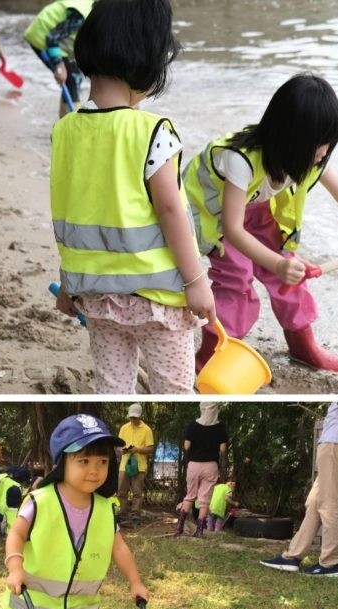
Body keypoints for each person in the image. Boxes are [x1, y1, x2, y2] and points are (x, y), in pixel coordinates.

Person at [183, 73, 338, 373]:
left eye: (330, 143)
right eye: (321, 144)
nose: (325, 152)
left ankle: (303, 346)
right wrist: (276, 263)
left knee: (292, 275)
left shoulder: (309, 158)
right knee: (236, 281)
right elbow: (233, 228)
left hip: (259, 210)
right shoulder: (240, 159)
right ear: (292, 137)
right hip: (219, 216)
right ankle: (211, 356)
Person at [52, 0, 215, 394]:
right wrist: (195, 280)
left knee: (111, 388)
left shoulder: (65, 131)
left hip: (96, 297)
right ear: (147, 59)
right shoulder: (153, 130)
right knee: (175, 391)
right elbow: (171, 208)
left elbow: (69, 214)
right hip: (157, 298)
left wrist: (68, 282)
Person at [3, 413, 148, 609]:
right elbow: (16, 534)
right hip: (40, 598)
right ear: (62, 463)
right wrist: (15, 567)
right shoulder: (40, 501)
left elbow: (117, 546)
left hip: (80, 601)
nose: (94, 470)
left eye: (102, 462)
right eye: (84, 461)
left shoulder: (106, 507)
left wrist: (135, 581)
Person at [261, 402, 338, 576]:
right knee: (314, 503)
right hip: (335, 443)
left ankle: (330, 564)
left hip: (335, 443)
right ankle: (292, 557)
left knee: (329, 505)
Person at [23, 0, 93, 115]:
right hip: (41, 35)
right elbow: (51, 38)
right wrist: (59, 66)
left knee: (75, 76)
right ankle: (71, 122)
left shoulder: (96, 9)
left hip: (59, 38)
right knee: (71, 78)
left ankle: (66, 118)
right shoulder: (81, 16)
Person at [174, 402, 229, 538]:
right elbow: (222, 450)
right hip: (210, 466)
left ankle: (179, 528)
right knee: (204, 500)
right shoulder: (220, 427)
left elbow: (186, 446)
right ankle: (199, 531)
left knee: (190, 496)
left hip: (194, 465)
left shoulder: (193, 426)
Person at [117, 403, 155, 525]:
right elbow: (119, 446)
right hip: (124, 464)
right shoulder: (124, 428)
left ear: (140, 416)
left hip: (139, 465)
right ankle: (121, 514)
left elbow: (150, 448)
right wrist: (122, 450)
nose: (133, 419)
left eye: (135, 417)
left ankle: (136, 516)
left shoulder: (147, 430)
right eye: (131, 417)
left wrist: (137, 449)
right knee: (121, 491)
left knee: (137, 493)